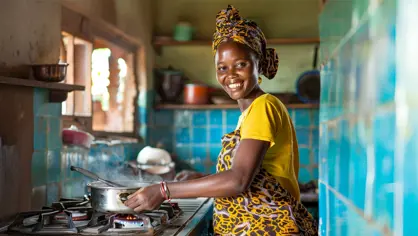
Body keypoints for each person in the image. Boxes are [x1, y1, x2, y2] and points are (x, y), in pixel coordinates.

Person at [125, 5, 318, 235]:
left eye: (241, 65)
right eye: (222, 68)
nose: (231, 75)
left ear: (258, 63)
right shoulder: (250, 113)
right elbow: (254, 174)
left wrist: (164, 190)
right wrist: (203, 178)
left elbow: (239, 180)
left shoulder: (263, 107)